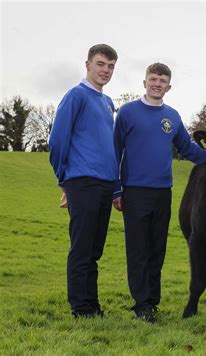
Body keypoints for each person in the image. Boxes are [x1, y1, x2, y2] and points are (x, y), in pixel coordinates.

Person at [113, 62, 206, 323]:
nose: (157, 84)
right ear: (144, 82)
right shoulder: (127, 113)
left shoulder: (172, 116)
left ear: (169, 86)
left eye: (162, 80)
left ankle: (152, 302)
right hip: (134, 191)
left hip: (162, 193)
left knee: (157, 249)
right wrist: (116, 190)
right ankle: (141, 305)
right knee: (138, 249)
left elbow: (188, 149)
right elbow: (114, 151)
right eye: (153, 79)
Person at [49, 44, 118, 318]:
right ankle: (80, 308)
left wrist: (115, 186)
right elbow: (57, 141)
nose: (105, 70)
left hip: (104, 183)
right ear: (87, 64)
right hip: (82, 182)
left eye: (111, 66)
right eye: (100, 64)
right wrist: (63, 179)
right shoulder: (75, 96)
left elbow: (109, 147)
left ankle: (93, 306)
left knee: (94, 250)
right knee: (81, 248)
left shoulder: (107, 102)